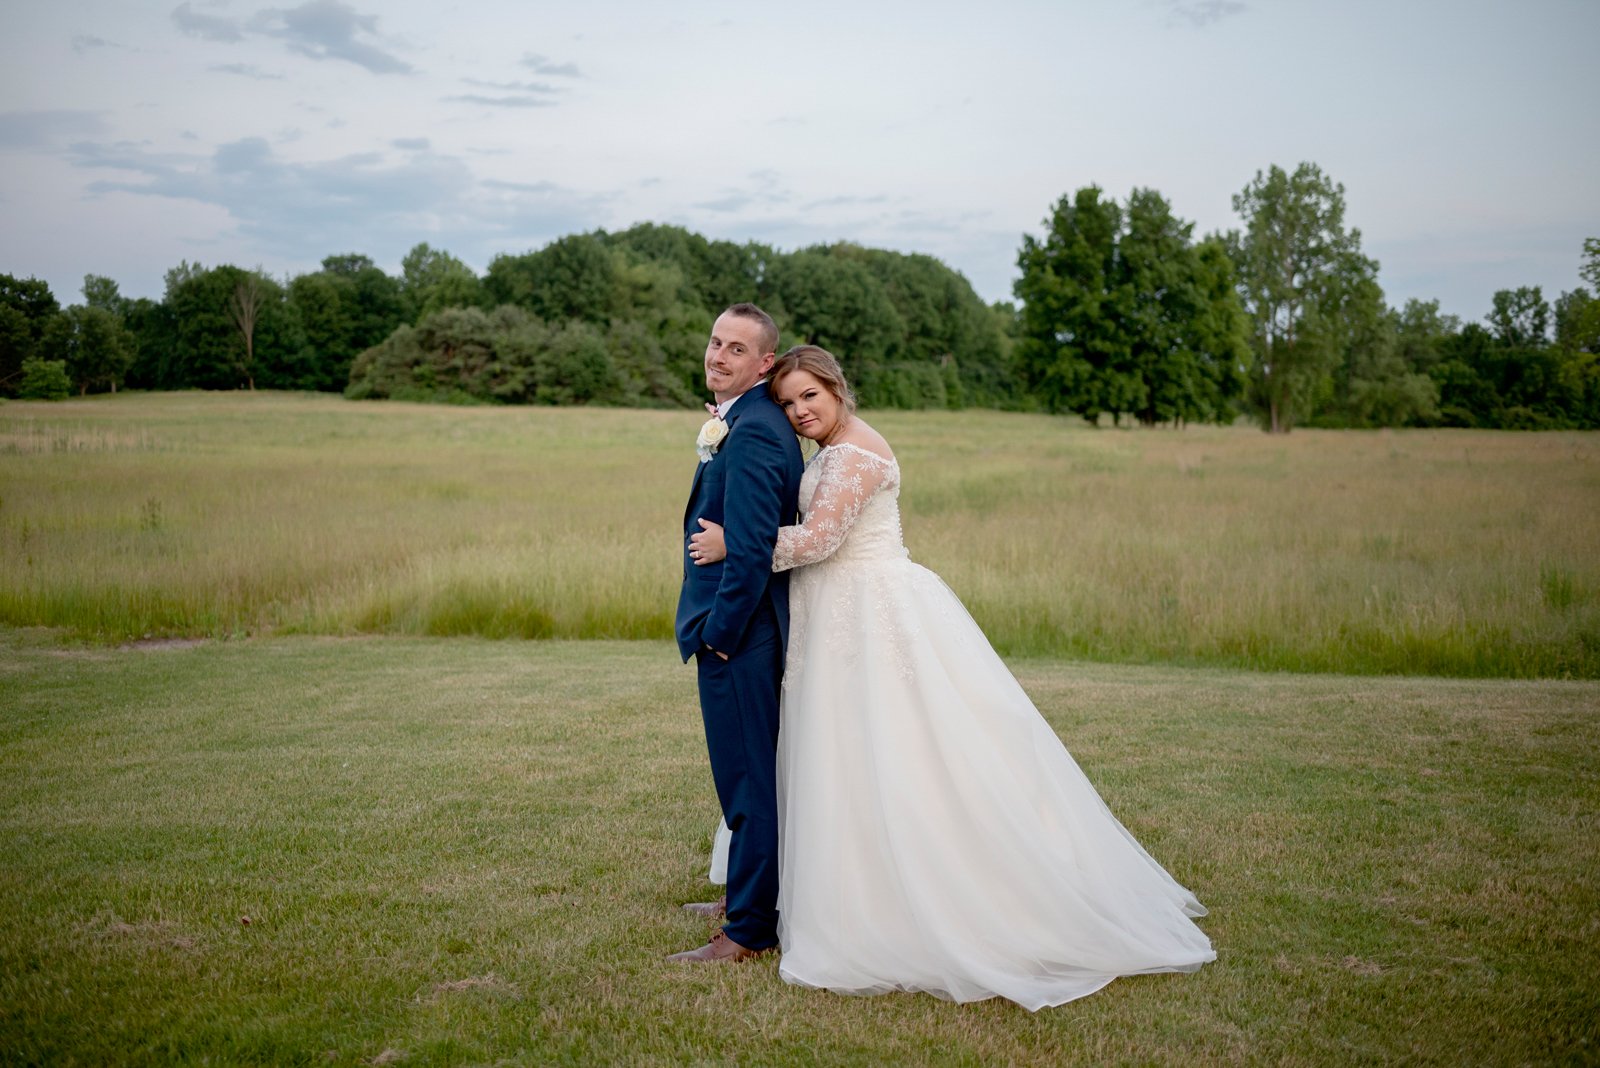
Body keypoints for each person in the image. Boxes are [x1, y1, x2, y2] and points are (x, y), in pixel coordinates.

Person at [688, 345, 1215, 1008]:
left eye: (809, 398)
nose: (799, 413)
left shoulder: (855, 454)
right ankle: (817, 888)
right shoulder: (832, 447)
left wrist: (737, 542)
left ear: (836, 389)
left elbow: (819, 541)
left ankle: (918, 896)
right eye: (789, 403)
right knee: (840, 754)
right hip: (834, 614)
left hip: (871, 614)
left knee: (900, 753)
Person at [668, 304, 804, 964]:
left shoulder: (751, 432)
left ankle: (749, 929)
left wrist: (720, 635)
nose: (718, 355)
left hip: (740, 637)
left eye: (736, 348)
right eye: (715, 341)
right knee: (742, 782)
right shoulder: (742, 420)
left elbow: (750, 551)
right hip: (739, 633)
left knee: (749, 785)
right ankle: (743, 899)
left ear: (764, 363)